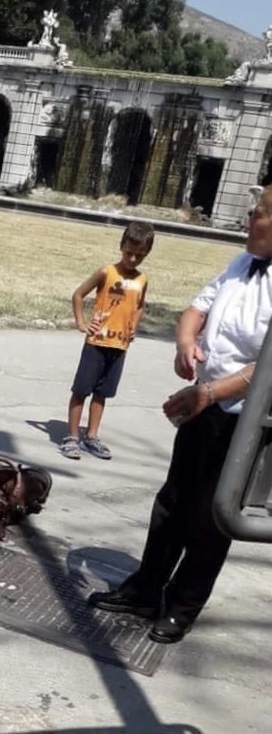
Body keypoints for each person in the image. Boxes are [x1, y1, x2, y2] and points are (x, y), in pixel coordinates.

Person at [88, 185, 272, 644]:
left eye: (259, 212)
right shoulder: (240, 264)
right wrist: (186, 343)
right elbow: (196, 308)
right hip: (204, 402)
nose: (249, 217)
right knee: (173, 501)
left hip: (246, 419)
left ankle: (183, 606)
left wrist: (211, 393)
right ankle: (146, 589)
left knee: (212, 517)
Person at [60, 221, 155, 459]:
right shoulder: (107, 272)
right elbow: (79, 295)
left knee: (102, 393)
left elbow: (139, 305)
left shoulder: (142, 280)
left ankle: (91, 436)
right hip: (96, 344)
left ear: (146, 253)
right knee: (81, 390)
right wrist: (82, 323)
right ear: (121, 246)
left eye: (139, 255)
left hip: (119, 345)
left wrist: (134, 325)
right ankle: (72, 437)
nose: (132, 259)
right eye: (129, 253)